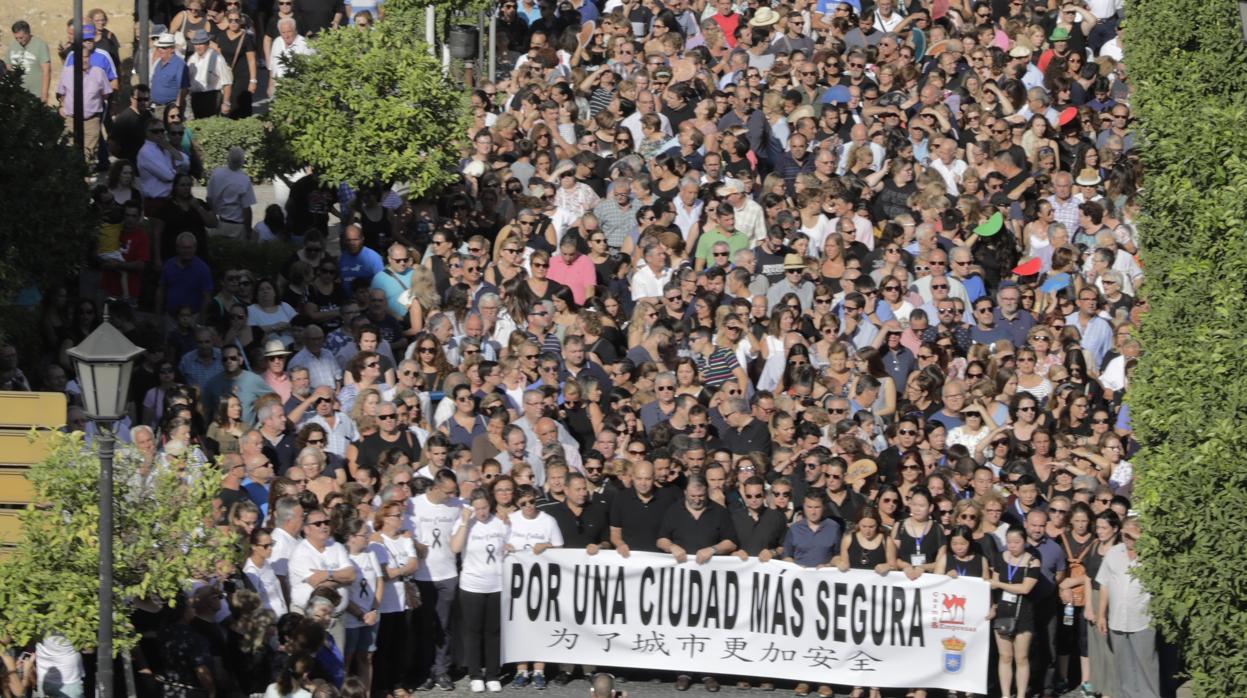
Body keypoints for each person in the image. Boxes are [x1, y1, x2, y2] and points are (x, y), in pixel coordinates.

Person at [656, 475, 738, 692]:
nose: (697, 500)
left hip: (711, 582)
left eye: (701, 496)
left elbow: (731, 541)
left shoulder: (719, 512)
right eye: (693, 496)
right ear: (685, 493)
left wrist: (713, 549)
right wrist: (671, 547)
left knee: (708, 626)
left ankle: (708, 673)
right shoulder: (674, 511)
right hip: (680, 582)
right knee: (682, 624)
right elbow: (661, 538)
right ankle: (683, 672)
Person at [450, 488, 510, 693]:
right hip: (472, 585)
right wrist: (466, 521)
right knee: (473, 631)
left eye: (484, 507)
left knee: (493, 631)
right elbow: (455, 548)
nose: (482, 512)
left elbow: (510, 543)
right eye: (477, 508)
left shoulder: (499, 522)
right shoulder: (465, 523)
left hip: (497, 584)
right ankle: (475, 674)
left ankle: (493, 673)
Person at [1094, 517, 1160, 698]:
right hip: (1116, 619)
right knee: (1122, 666)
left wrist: (1140, 541)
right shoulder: (1114, 552)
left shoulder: (1150, 555)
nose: (1126, 537)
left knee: (1146, 665)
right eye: (1124, 532)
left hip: (1142, 620)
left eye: (1131, 533)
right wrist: (1101, 615)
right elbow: (1104, 583)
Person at [206, 146, 257, 240]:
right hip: (237, 226)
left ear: (228, 158)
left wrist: (213, 215)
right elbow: (246, 209)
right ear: (242, 161)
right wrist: (248, 231)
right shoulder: (244, 179)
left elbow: (209, 198)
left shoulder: (217, 174)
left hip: (220, 222)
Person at [8, 20, 52, 102]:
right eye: (16, 38)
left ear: (28, 33)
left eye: (21, 37)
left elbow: (46, 71)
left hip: (35, 95)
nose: (19, 41)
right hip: (16, 95)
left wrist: (44, 94)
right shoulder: (12, 45)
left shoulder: (40, 45)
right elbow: (7, 67)